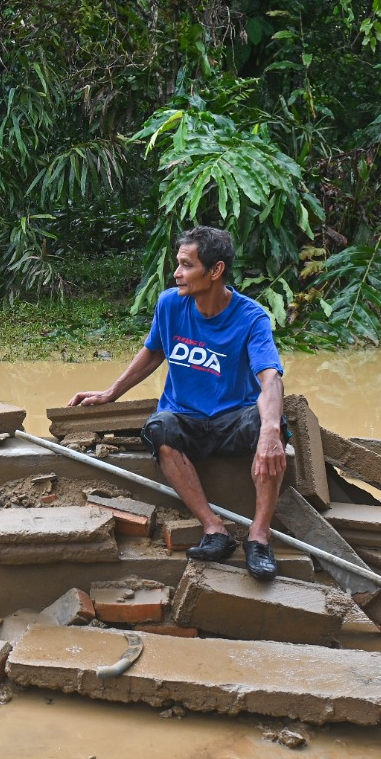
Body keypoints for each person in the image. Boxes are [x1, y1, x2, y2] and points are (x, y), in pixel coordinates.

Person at [67, 225, 286, 579]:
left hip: (232, 420)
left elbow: (270, 378)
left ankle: (259, 536)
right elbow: (154, 351)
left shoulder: (251, 317)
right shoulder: (171, 303)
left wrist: (271, 432)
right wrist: (111, 393)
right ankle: (214, 529)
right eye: (178, 264)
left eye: (186, 265)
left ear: (215, 271)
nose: (177, 273)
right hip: (186, 419)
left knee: (267, 426)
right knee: (159, 427)